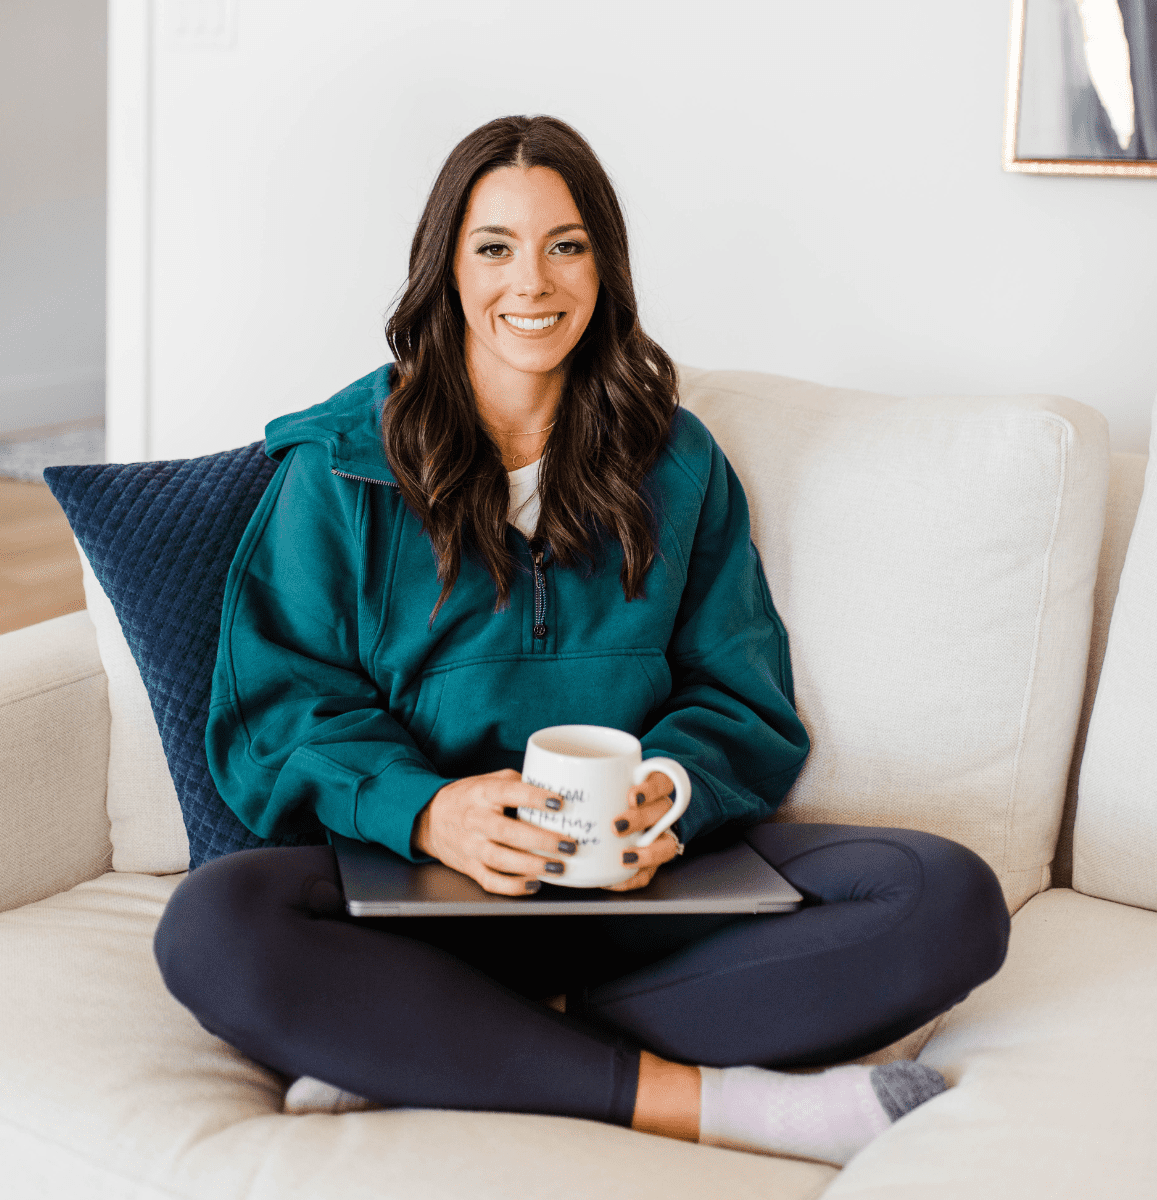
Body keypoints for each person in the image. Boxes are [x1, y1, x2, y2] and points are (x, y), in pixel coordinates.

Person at [153, 115, 1010, 1167]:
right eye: (495, 247)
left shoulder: (679, 463)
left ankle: (424, 1048)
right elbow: (278, 714)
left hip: (632, 893)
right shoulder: (339, 468)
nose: (534, 281)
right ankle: (716, 1103)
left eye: (566, 245)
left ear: (604, 267)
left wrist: (672, 791)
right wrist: (428, 812)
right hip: (419, 892)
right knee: (214, 927)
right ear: (446, 268)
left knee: (942, 897)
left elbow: (741, 699)